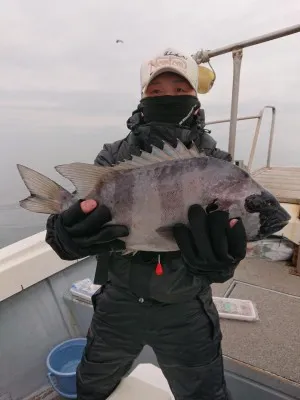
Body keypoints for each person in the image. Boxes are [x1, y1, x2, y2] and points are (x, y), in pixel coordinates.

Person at [45, 48, 247, 400]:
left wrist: (223, 262)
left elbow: (230, 236)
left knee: (205, 393)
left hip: (187, 306)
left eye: (180, 90)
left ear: (195, 97)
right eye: (156, 92)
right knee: (91, 385)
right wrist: (63, 234)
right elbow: (84, 208)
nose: (168, 97)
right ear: (143, 97)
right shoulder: (114, 156)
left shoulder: (217, 164)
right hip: (118, 300)